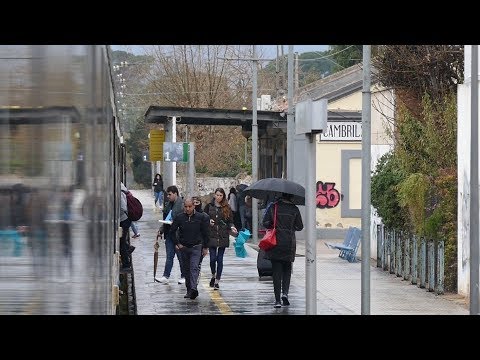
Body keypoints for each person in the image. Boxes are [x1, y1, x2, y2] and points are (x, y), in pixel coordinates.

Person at [262, 192, 303, 308]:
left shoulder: (273, 207)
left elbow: (265, 223)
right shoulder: (294, 209)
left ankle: (277, 301)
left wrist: (273, 225)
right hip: (289, 244)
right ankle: (285, 293)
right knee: (287, 270)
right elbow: (300, 226)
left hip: (275, 243)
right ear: (291, 196)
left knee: (276, 272)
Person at [169, 198, 209, 299]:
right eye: (186, 207)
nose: (188, 209)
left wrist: (205, 247)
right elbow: (172, 231)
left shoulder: (201, 217)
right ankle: (189, 290)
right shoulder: (180, 217)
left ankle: (193, 288)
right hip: (184, 247)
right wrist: (177, 243)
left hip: (196, 246)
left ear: (194, 206)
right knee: (186, 269)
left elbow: (205, 233)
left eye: (190, 206)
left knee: (194, 267)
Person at [205, 188, 237, 290]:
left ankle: (217, 281)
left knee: (220, 259)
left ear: (223, 196)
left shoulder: (226, 207)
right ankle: (213, 275)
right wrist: (208, 221)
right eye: (217, 195)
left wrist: (232, 227)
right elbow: (203, 217)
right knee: (212, 259)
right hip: (212, 235)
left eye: (220, 195)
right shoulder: (209, 206)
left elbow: (230, 221)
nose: (218, 197)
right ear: (214, 195)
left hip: (223, 235)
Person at [155, 185, 186, 284]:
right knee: (169, 256)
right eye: (167, 194)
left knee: (181, 256)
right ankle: (165, 276)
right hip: (169, 233)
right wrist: (161, 230)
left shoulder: (182, 205)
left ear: (175, 193)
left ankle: (184, 275)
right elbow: (166, 219)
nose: (168, 196)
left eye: (170, 194)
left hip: (179, 235)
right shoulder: (168, 205)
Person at [120, 182, 132, 271]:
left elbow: (123, 207)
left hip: (123, 220)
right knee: (122, 241)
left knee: (121, 243)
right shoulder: (122, 189)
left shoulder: (119, 191)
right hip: (125, 219)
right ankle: (129, 248)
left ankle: (126, 265)